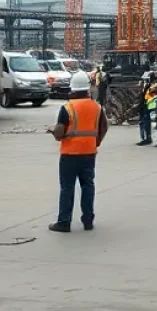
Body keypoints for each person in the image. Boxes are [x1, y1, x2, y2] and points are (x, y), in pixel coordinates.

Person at [48, 70, 109, 232]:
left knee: (67, 188)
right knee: (88, 186)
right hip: (89, 153)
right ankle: (88, 220)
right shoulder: (97, 107)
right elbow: (104, 127)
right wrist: (95, 143)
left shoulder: (67, 108)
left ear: (72, 89)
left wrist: (53, 130)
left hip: (69, 154)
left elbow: (60, 132)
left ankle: (64, 222)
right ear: (87, 88)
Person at [137, 71, 154, 145]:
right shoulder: (144, 86)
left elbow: (147, 97)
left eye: (146, 80)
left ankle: (147, 138)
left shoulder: (150, 87)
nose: (144, 81)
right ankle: (144, 138)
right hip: (143, 107)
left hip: (146, 107)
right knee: (143, 123)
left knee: (145, 123)